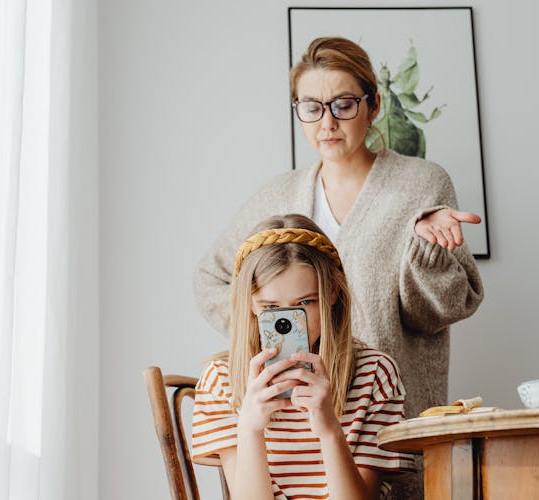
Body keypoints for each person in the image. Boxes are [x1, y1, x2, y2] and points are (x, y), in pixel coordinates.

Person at [193, 36, 484, 496]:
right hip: (286, 430)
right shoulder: (276, 196)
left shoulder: (421, 185)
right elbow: (213, 277)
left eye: (344, 104)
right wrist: (274, 329)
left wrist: (431, 253)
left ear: (373, 105)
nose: (327, 121)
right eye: (311, 106)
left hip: (382, 415)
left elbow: (440, 309)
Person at [191, 214, 416, 499]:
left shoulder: (375, 374)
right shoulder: (221, 380)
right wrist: (249, 427)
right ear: (250, 303)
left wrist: (330, 430)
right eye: (270, 306)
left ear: (333, 292)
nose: (288, 322)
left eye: (305, 303)